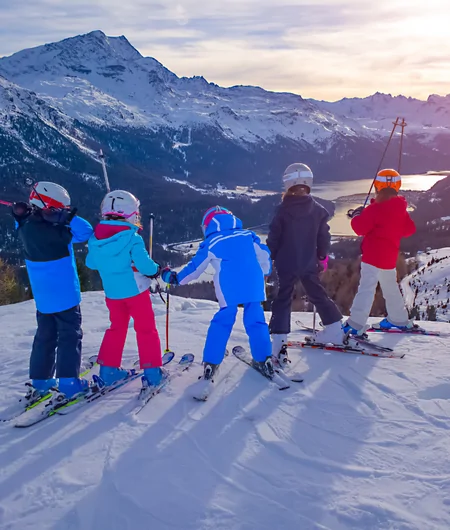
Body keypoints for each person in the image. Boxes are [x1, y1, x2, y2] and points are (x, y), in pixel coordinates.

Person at [161, 206, 273, 379]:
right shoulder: (248, 236)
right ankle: (264, 359)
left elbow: (194, 268)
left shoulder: (212, 242)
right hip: (254, 283)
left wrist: (175, 278)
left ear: (207, 225)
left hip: (229, 287)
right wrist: (265, 271)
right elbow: (265, 255)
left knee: (223, 321)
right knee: (256, 320)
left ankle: (211, 362)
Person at [12, 182, 93, 399]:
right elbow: (85, 231)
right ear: (51, 208)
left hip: (43, 297)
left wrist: (28, 213)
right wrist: (65, 218)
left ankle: (41, 381)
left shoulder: (24, 226)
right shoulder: (59, 231)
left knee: (45, 337)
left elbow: (19, 222)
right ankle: (68, 382)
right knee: (69, 336)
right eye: (61, 209)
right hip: (66, 295)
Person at [86, 190, 163, 388]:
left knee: (116, 328)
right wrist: (156, 270)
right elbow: (145, 266)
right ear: (131, 214)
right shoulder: (132, 237)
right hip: (136, 292)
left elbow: (91, 263)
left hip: (112, 294)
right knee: (145, 329)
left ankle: (108, 369)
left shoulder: (96, 239)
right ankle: (153, 373)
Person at [268, 163, 343, 353]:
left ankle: (279, 342)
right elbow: (324, 237)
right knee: (317, 293)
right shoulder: (318, 210)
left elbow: (274, 239)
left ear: (287, 184)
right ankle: (335, 329)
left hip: (286, 263)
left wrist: (268, 259)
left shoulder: (282, 210)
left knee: (283, 298)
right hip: (309, 262)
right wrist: (322, 257)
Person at [343, 169, 416, 334]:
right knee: (390, 287)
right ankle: (399, 318)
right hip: (389, 257)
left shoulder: (374, 209)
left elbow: (359, 228)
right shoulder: (400, 209)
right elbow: (409, 229)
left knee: (367, 288)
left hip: (372, 257)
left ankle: (355, 325)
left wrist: (356, 216)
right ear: (397, 186)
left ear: (377, 186)